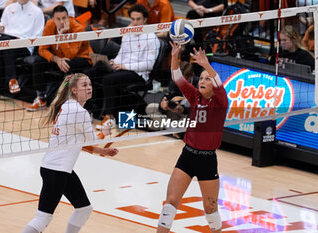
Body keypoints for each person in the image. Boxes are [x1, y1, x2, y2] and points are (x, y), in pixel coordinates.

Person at [22, 73, 119, 233]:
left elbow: (79, 142)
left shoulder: (68, 106)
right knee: (42, 218)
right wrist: (105, 131)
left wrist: (102, 151)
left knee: (84, 209)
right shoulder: (78, 112)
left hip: (60, 169)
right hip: (56, 170)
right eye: (84, 85)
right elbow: (92, 139)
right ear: (74, 90)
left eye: (90, 85)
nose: (89, 88)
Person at [156, 42, 228, 233]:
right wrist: (174, 56)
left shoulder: (220, 102)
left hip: (207, 160)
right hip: (187, 156)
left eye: (207, 79)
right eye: (201, 78)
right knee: (170, 205)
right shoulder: (195, 97)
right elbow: (178, 78)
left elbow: (219, 84)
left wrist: (206, 65)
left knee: (211, 209)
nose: (202, 81)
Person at [96, 4, 160, 129]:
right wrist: (114, 62)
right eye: (133, 19)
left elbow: (149, 65)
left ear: (145, 19)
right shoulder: (127, 33)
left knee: (109, 80)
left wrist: (124, 66)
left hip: (139, 74)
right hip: (123, 68)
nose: (135, 23)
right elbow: (121, 55)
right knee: (94, 71)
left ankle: (110, 117)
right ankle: (89, 110)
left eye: (138, 19)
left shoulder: (152, 38)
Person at [26, 5, 93, 111]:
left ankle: (65, 103)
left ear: (68, 17)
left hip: (82, 58)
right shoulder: (49, 25)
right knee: (38, 61)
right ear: (53, 19)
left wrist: (62, 35)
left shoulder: (78, 28)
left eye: (64, 18)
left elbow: (71, 55)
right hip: (60, 57)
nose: (62, 21)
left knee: (67, 65)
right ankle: (41, 98)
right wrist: (56, 59)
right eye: (58, 19)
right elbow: (42, 49)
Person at [0, 0, 44, 100]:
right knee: (5, 45)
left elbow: (38, 36)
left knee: (4, 47)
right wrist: (1, 29)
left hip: (24, 45)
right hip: (7, 42)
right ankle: (11, 80)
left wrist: (22, 40)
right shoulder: (9, 8)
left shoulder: (37, 12)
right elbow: (1, 26)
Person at [145, 61, 199, 130]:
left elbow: (198, 109)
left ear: (191, 76)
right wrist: (163, 105)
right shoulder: (174, 81)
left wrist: (182, 109)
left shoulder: (199, 84)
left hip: (187, 115)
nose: (181, 81)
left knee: (194, 120)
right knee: (150, 108)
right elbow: (169, 97)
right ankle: (172, 127)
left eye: (184, 79)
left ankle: (164, 126)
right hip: (174, 113)